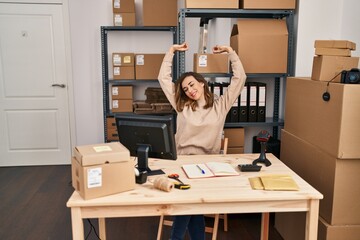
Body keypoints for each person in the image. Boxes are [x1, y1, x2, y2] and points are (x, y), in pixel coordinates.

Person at [157, 43, 247, 240]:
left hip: (208, 165)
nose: (189, 90)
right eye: (185, 88)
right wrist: (170, 51)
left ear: (202, 83)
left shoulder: (220, 105)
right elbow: (163, 79)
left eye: (192, 84)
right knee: (192, 205)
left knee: (190, 205)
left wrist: (231, 53)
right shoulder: (182, 105)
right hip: (181, 163)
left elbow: (240, 79)